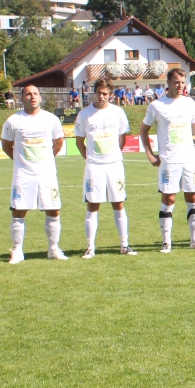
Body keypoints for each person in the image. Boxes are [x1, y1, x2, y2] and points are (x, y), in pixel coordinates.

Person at [140, 69, 195, 252]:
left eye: (183, 82)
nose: (180, 86)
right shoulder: (156, 106)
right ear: (168, 83)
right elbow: (143, 130)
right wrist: (150, 154)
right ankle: (166, 242)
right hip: (169, 161)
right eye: (177, 82)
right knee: (169, 199)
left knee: (193, 197)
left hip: (189, 160)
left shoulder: (189, 103)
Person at [1, 85, 67, 263]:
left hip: (46, 173)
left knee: (53, 209)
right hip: (23, 174)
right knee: (19, 210)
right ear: (22, 98)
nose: (32, 97)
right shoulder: (13, 120)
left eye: (35, 93)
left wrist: (47, 160)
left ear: (40, 97)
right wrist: (20, 161)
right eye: (28, 94)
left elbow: (58, 143)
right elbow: (6, 145)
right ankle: (17, 251)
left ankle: (53, 248)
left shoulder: (51, 119)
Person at [74, 79, 135, 258]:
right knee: (93, 204)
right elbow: (79, 142)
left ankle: (124, 245)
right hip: (94, 167)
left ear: (110, 95)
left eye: (105, 94)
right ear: (94, 93)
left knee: (119, 203)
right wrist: (89, 159)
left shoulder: (118, 112)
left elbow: (122, 138)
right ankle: (90, 247)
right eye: (99, 93)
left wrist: (114, 155)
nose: (102, 97)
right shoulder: (84, 114)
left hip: (114, 165)